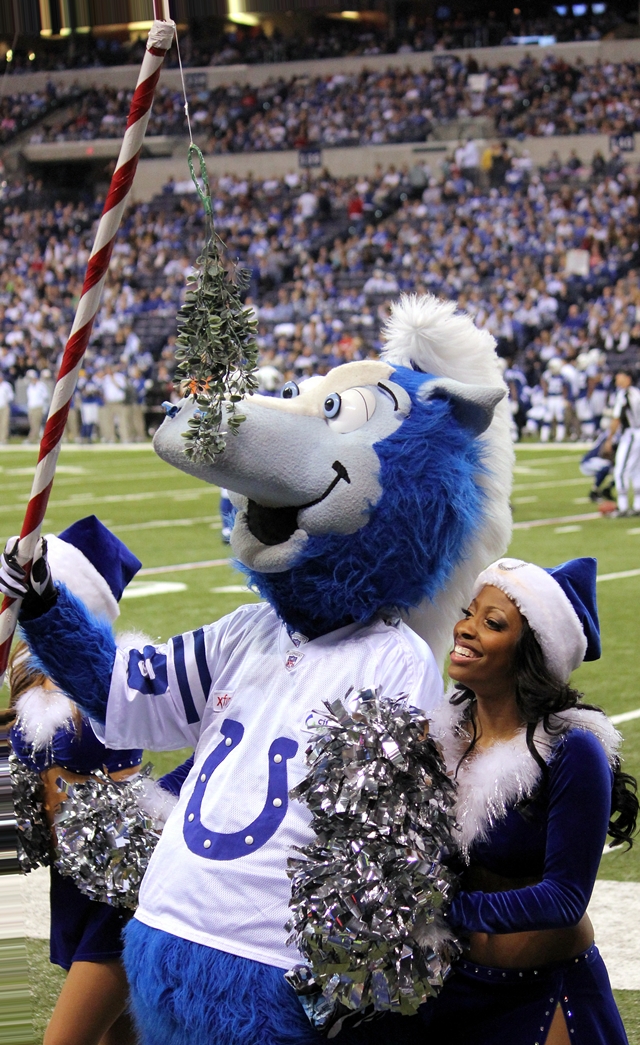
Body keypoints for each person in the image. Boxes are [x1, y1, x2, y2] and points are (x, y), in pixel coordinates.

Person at [423, 556, 637, 1045]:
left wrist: (447, 910)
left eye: (492, 623)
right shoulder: (442, 735)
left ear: (532, 653)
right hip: (452, 991)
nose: (467, 629)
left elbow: (564, 898)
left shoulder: (571, 750)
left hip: (544, 996)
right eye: (469, 613)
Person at [8, 517, 143, 1045]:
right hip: (71, 886)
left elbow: (91, 738)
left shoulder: (106, 678)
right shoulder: (24, 673)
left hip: (116, 892)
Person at [604, 369, 640, 518]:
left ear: (628, 378)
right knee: (636, 471)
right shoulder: (637, 393)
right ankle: (638, 505)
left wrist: (609, 438)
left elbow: (616, 418)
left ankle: (623, 506)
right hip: (637, 433)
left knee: (620, 471)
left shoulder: (623, 395)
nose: (618, 380)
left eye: (621, 377)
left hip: (631, 434)